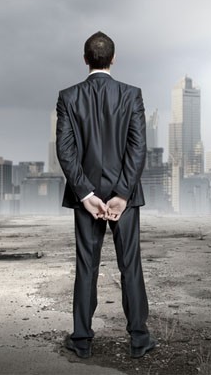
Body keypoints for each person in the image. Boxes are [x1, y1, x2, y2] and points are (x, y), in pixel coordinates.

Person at [56, 31, 156, 359]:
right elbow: (138, 148)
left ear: (85, 59)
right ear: (113, 59)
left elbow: (65, 151)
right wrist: (123, 194)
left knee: (87, 266)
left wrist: (85, 194)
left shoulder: (68, 97)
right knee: (131, 265)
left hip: (86, 197)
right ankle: (139, 340)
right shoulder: (131, 95)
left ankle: (82, 340)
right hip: (123, 195)